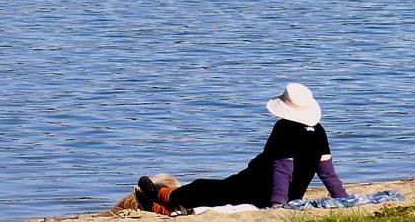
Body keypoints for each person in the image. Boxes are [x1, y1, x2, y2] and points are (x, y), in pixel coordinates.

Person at [137, 83, 350, 214]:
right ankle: (164, 198)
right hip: (281, 191)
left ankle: (162, 200)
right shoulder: (319, 131)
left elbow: (282, 170)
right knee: (211, 190)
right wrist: (342, 198)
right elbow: (327, 172)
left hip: (256, 189)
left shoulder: (285, 129)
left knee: (205, 189)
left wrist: (278, 204)